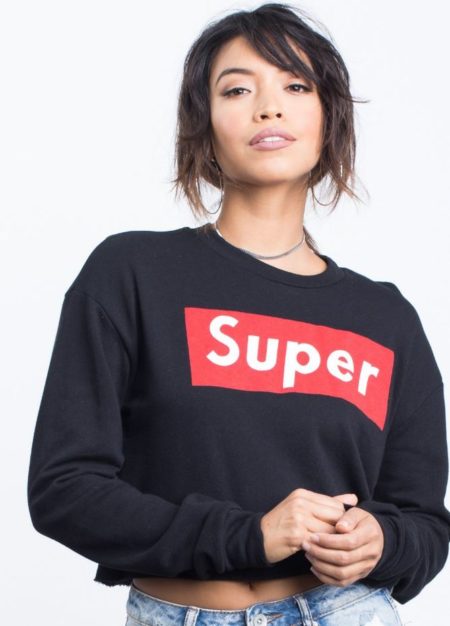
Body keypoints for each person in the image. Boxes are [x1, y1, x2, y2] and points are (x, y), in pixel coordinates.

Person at [27, 3, 450, 625]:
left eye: (296, 86)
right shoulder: (132, 274)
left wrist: (382, 542)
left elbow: (425, 524)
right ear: (203, 124)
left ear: (329, 118)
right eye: (237, 89)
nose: (269, 108)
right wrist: (249, 536)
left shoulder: (385, 318)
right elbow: (63, 490)